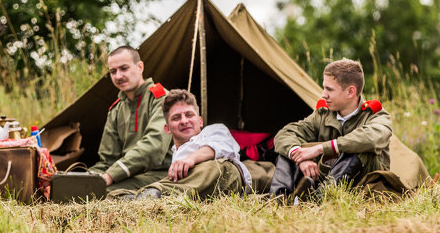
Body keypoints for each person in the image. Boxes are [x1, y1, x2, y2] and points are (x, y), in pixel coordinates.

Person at [270, 58, 393, 199]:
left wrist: (321, 148)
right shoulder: (323, 115)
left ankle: (322, 198)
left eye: (329, 89)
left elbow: (370, 138)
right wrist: (299, 156)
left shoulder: (376, 115)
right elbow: (285, 133)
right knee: (291, 150)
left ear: (350, 92)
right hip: (324, 177)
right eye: (324, 88)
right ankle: (277, 199)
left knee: (358, 148)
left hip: (365, 184)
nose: (323, 94)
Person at [128, 89, 273, 199]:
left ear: (200, 121)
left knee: (219, 167)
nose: (184, 121)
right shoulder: (176, 156)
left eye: (189, 115)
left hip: (227, 180)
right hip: (196, 192)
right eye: (176, 118)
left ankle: (158, 194)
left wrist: (191, 159)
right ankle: (148, 196)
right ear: (167, 128)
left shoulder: (214, 130)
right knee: (118, 193)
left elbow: (221, 145)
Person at [90, 45, 173, 193]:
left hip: (161, 174)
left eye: (124, 68)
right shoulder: (116, 110)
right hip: (126, 175)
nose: (118, 76)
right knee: (77, 188)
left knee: (101, 192)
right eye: (113, 71)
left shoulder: (161, 98)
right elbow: (108, 160)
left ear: (140, 67)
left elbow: (154, 147)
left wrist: (111, 175)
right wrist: (82, 178)